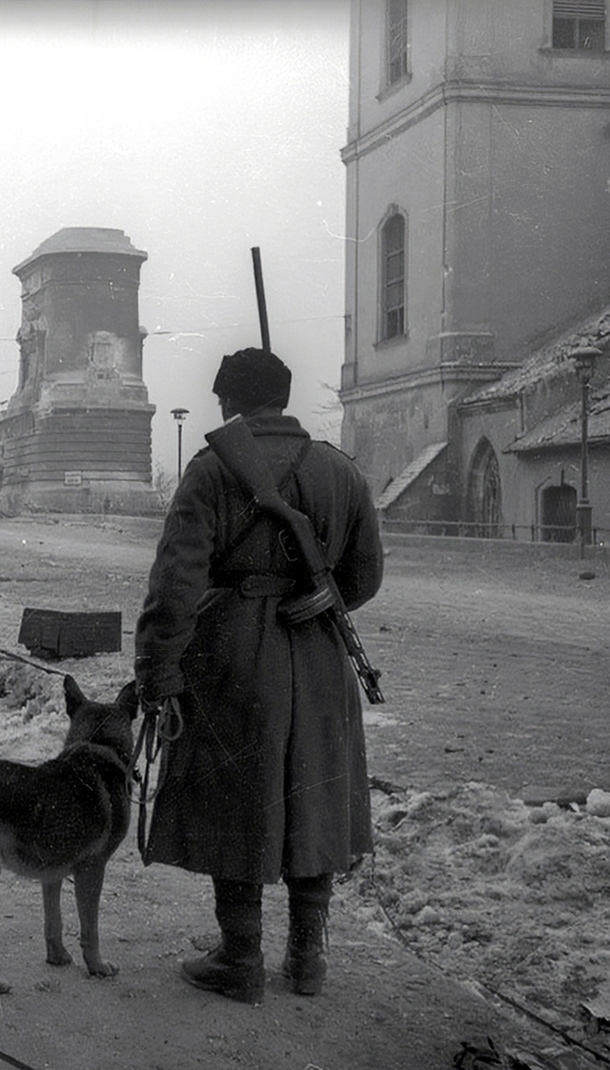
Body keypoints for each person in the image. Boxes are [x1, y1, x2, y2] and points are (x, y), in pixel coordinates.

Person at [133, 346, 384, 1004]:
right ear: (284, 394)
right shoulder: (340, 470)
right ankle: (307, 960)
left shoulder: (213, 470)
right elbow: (364, 577)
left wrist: (158, 675)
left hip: (233, 655)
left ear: (228, 403)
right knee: (315, 798)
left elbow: (175, 588)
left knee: (232, 799)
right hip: (323, 657)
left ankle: (240, 958)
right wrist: (320, 599)